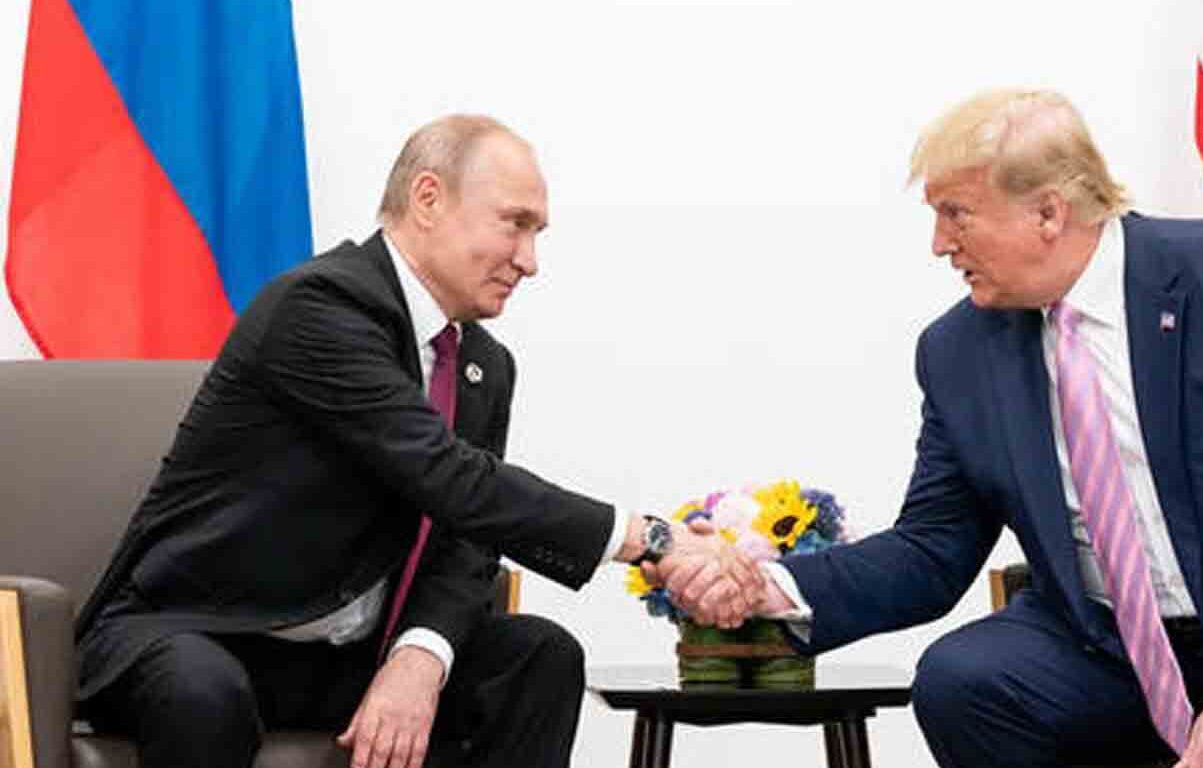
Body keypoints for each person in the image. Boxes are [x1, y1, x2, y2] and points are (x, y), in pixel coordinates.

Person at [660, 89, 1203, 768]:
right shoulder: (957, 350)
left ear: (1049, 211)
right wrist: (769, 582)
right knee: (964, 683)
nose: (940, 244)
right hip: (1114, 644)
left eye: (956, 214)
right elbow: (935, 546)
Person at [75, 114, 760, 768]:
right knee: (205, 694)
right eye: (515, 225)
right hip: (198, 630)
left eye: (538, 233)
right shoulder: (316, 309)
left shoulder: (483, 364)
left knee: (537, 657)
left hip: (339, 654)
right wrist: (652, 541)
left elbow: (466, 538)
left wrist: (420, 654)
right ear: (428, 198)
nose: (530, 261)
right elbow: (451, 477)